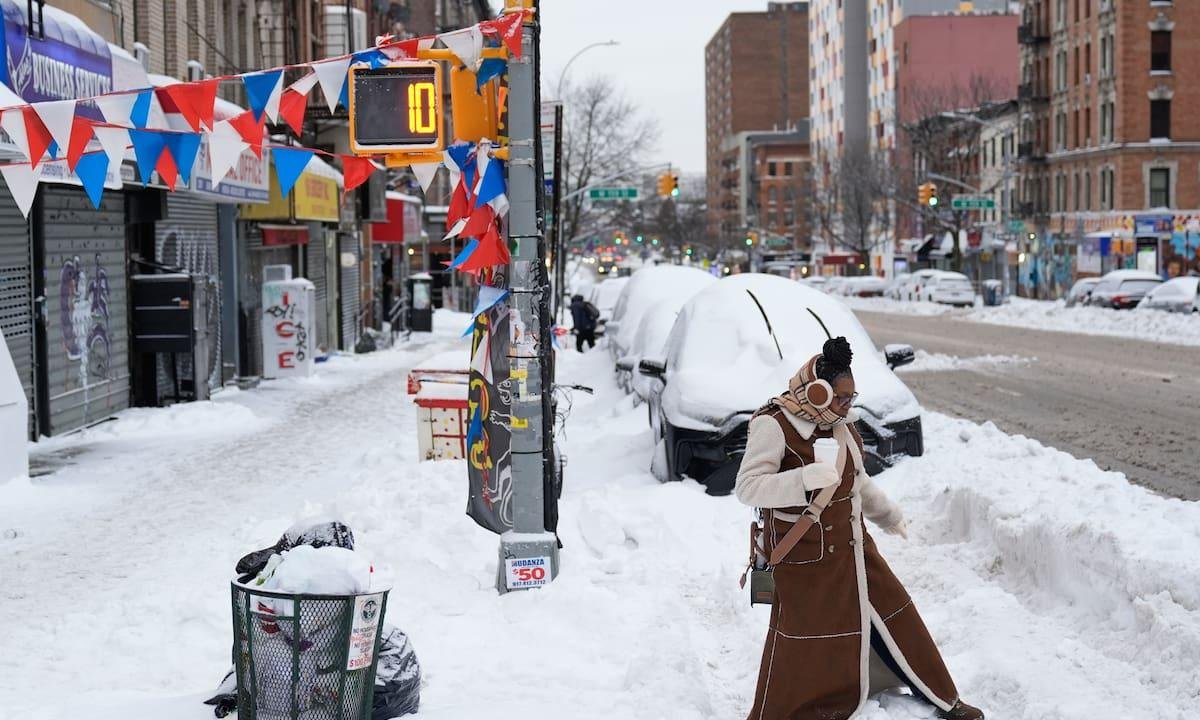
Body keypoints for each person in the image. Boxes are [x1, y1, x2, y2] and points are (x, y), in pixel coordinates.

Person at [736, 336, 984, 720]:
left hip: (854, 547)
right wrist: (802, 479)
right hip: (804, 556)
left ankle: (941, 698)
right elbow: (748, 487)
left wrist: (889, 515)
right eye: (839, 398)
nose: (847, 406)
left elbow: (857, 481)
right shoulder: (774, 425)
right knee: (806, 640)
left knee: (896, 615)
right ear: (815, 392)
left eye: (851, 397)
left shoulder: (842, 426)